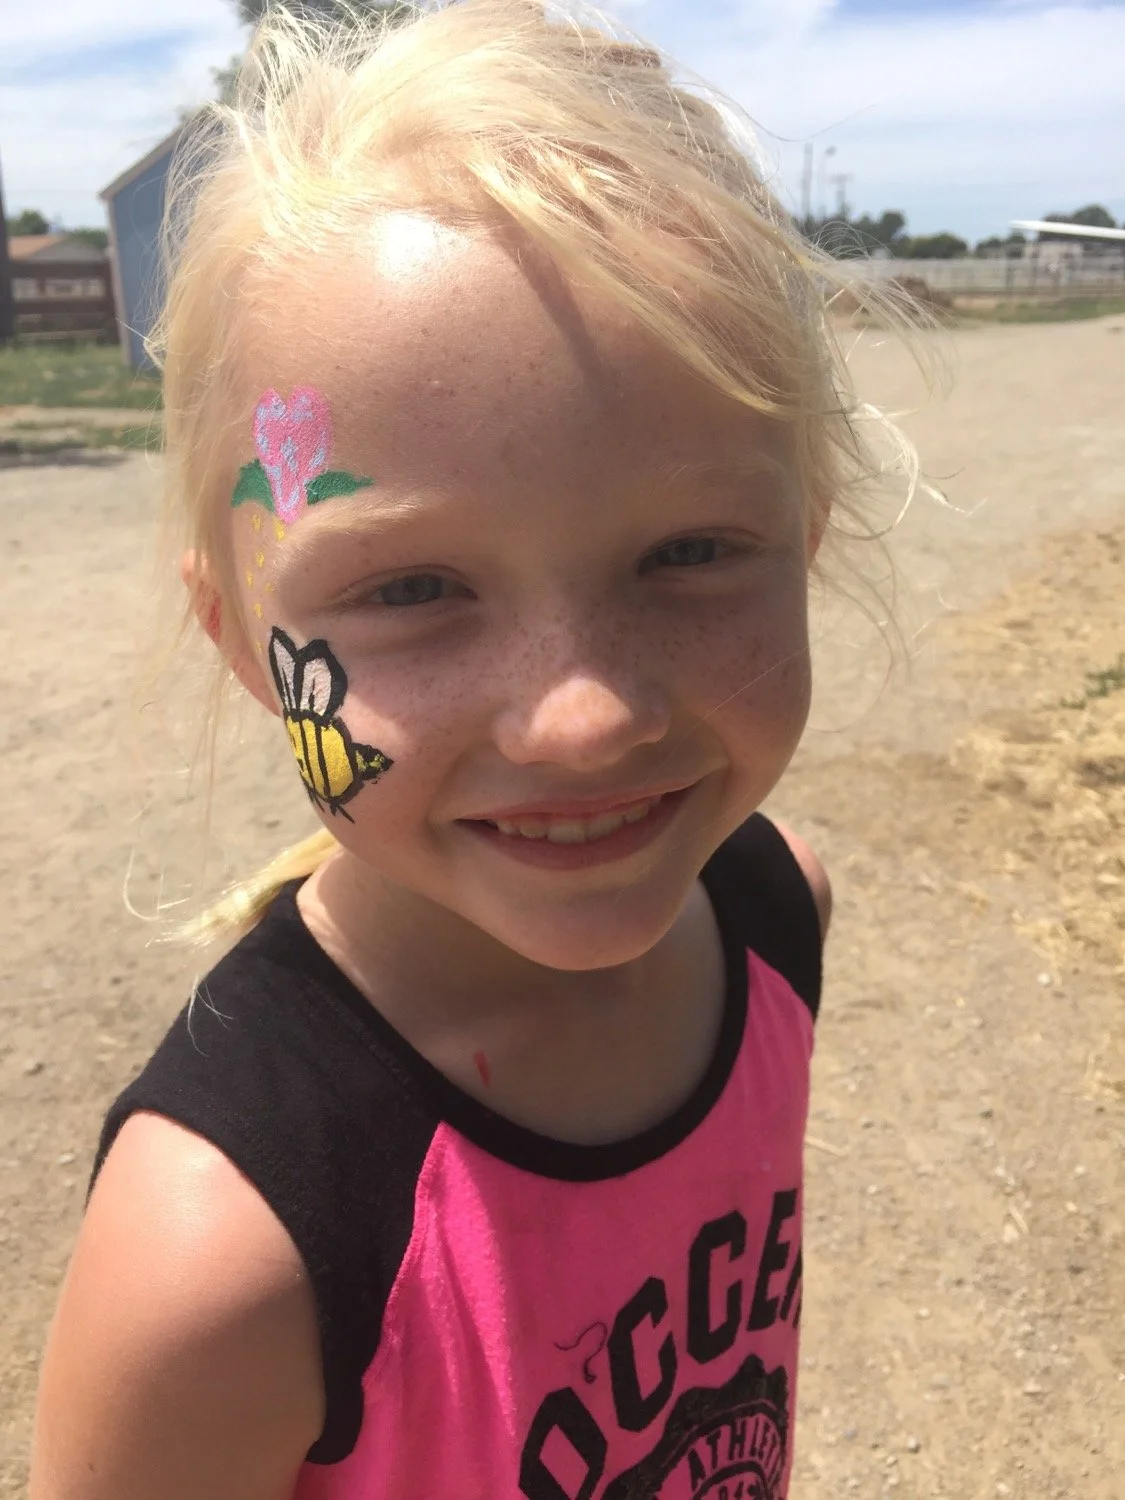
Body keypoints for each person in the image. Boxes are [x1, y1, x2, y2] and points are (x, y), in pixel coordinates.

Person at [30, 3, 915, 1496]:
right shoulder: (222, 1253)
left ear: (807, 537)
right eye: (413, 590)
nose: (586, 717)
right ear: (245, 639)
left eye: (691, 551)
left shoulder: (775, 917)